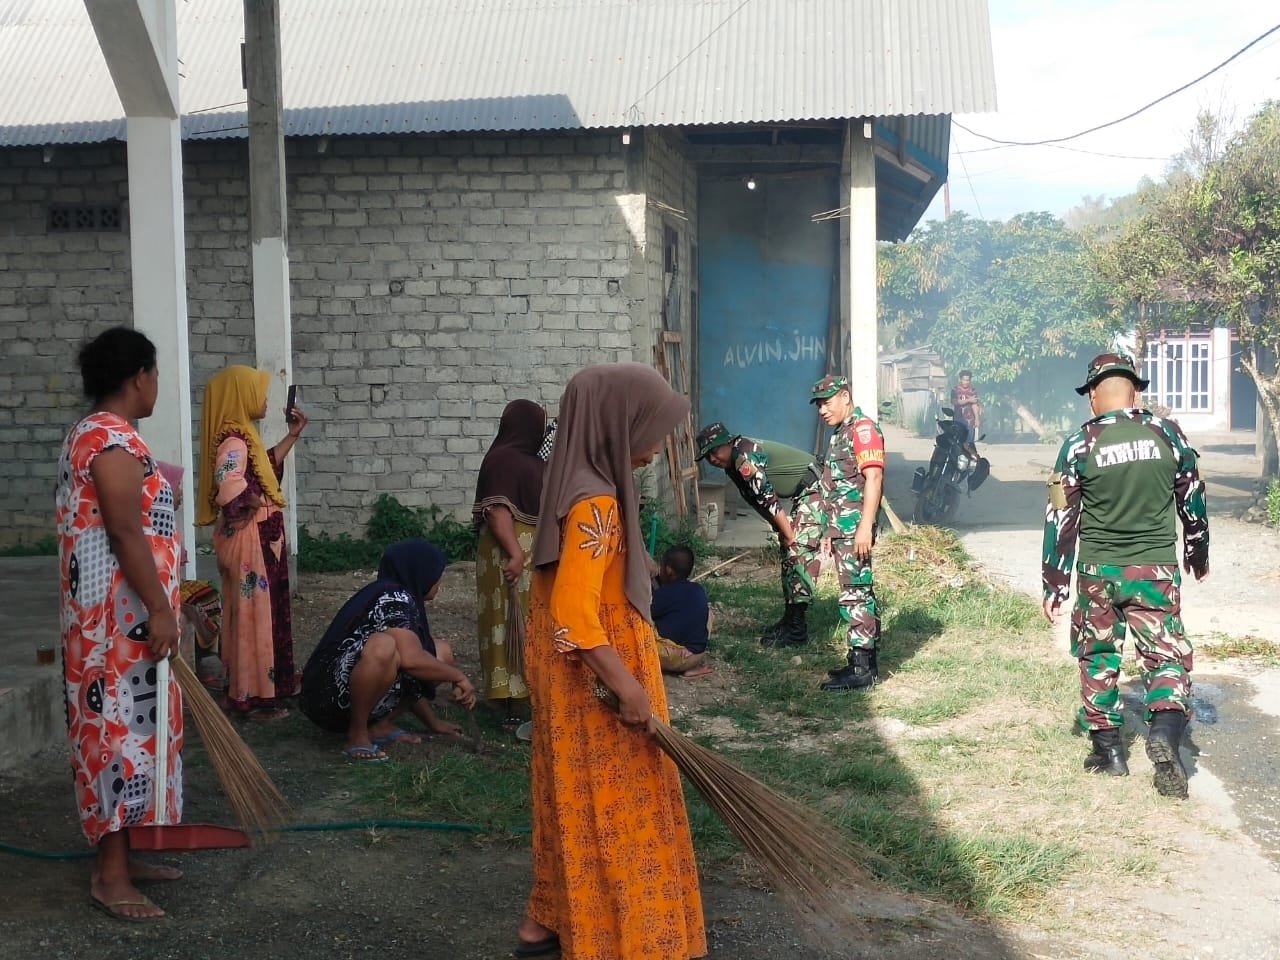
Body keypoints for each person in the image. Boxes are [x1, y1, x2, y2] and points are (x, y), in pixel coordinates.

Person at [515, 363, 706, 960]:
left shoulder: (569, 482)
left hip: (567, 677)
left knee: (567, 794)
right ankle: (629, 936)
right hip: (596, 681)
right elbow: (575, 610)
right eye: (648, 429)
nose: (654, 445)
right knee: (620, 799)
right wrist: (628, 689)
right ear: (615, 425)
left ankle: (546, 922)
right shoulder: (596, 503)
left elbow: (570, 590)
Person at [56, 327, 184, 921]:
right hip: (114, 628)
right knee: (114, 740)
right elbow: (124, 530)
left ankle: (124, 857)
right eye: (155, 374)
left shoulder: (112, 438)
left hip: (122, 624)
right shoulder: (108, 439)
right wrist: (159, 608)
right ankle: (110, 877)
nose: (157, 385)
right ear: (139, 377)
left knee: (131, 737)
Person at [1042, 353, 1209, 798]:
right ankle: (1166, 734)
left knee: (1098, 655)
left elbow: (1060, 519)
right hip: (1156, 568)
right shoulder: (1168, 434)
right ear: (1135, 391)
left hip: (1099, 571)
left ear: (1095, 394)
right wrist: (1198, 549)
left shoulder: (1079, 444)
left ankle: (1109, 753)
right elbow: (1192, 494)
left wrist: (1054, 583)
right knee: (1165, 654)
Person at [299, 539, 478, 761]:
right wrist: (459, 677)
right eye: (436, 575)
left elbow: (412, 667)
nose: (439, 583)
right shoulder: (394, 597)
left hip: (349, 693)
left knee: (439, 652)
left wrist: (433, 723)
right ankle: (357, 734)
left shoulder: (403, 595)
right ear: (420, 573)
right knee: (385, 647)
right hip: (327, 699)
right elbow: (412, 661)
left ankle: (380, 725)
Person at [196, 366, 306, 720]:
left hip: (261, 541)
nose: (263, 399)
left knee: (260, 614)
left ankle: (265, 687)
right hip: (251, 544)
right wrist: (256, 502)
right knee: (253, 618)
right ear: (241, 395)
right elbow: (230, 489)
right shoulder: (233, 442)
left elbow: (263, 469)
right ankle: (253, 698)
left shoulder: (244, 438)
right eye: (257, 391)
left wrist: (293, 435)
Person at [695, 421, 821, 647]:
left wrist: (789, 534)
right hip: (803, 491)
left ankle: (797, 630)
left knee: (797, 551)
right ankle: (790, 619)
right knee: (788, 552)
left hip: (817, 487)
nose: (713, 459)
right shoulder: (732, 464)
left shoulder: (745, 458)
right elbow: (756, 500)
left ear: (728, 442)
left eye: (715, 451)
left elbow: (768, 498)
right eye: (707, 456)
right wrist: (779, 529)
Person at [472, 399, 546, 731]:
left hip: (523, 554)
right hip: (509, 552)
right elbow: (498, 511)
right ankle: (512, 702)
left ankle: (520, 697)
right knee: (507, 621)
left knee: (525, 622)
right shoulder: (504, 460)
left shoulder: (526, 460)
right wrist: (516, 554)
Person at [808, 375, 886, 692]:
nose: (821, 411)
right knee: (854, 590)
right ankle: (862, 660)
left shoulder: (863, 430)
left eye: (826, 402)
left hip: (856, 528)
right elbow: (836, 486)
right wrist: (829, 529)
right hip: (843, 528)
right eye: (818, 405)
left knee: (856, 592)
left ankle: (862, 669)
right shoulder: (842, 433)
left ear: (844, 396)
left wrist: (865, 527)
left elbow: (874, 478)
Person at [652, 545, 713, 678]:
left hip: (672, 657)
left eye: (661, 567)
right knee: (708, 613)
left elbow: (647, 613)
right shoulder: (698, 589)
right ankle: (692, 668)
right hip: (695, 655)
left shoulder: (665, 593)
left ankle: (678, 667)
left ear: (668, 571)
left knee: (641, 627)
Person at [950, 369, 983, 446]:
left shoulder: (972, 391)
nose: (966, 382)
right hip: (958, 420)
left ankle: (968, 457)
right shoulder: (955, 390)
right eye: (964, 380)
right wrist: (968, 400)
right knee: (959, 441)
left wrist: (977, 419)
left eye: (968, 380)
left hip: (970, 421)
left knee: (969, 442)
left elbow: (974, 405)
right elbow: (955, 402)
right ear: (960, 379)